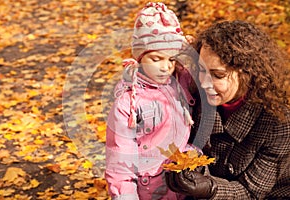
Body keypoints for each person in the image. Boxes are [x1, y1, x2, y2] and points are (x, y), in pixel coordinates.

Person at [165, 20, 290, 199]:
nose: (204, 82)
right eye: (201, 70)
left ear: (247, 74)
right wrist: (192, 167)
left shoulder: (278, 124)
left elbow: (251, 192)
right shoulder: (198, 96)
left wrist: (210, 188)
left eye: (218, 75)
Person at [105, 2, 199, 200]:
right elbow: (120, 161)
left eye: (171, 59)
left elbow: (206, 70)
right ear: (139, 58)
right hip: (149, 191)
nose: (165, 67)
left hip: (184, 185)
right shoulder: (128, 103)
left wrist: (194, 47)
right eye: (156, 59)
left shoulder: (180, 83)